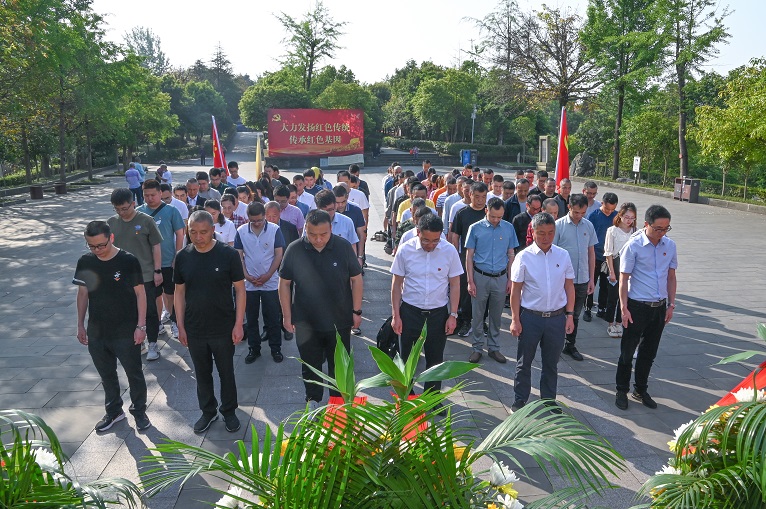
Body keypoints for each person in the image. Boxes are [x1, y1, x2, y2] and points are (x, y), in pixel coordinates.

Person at [278, 210, 363, 408]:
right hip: (306, 322)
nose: (318, 239)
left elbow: (356, 279)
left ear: (331, 229)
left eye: (323, 234)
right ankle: (313, 402)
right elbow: (284, 283)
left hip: (339, 320)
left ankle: (338, 405)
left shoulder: (342, 246)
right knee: (310, 366)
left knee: (339, 367)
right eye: (312, 234)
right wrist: (286, 315)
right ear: (305, 229)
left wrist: (356, 311)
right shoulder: (295, 249)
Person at [74, 221, 150, 432]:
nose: (97, 250)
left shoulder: (128, 261)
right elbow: (82, 294)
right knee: (106, 375)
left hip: (126, 330)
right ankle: (114, 411)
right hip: (97, 331)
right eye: (92, 246)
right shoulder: (86, 261)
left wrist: (141, 326)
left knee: (134, 373)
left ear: (111, 238)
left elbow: (140, 293)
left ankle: (140, 411)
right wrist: (80, 324)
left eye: (101, 245)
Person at [174, 210, 246, 433]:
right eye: (193, 232)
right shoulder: (182, 257)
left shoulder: (228, 254)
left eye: (203, 232)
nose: (198, 237)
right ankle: (208, 411)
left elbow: (241, 291)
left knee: (226, 372)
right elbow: (178, 293)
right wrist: (180, 326)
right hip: (194, 327)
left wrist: (238, 323)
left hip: (223, 326)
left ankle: (229, 411)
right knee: (202, 373)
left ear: (213, 230)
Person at [391, 214, 462, 404]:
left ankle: (432, 398)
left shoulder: (449, 251)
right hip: (410, 312)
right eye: (426, 240)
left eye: (435, 240)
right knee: (407, 360)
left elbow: (455, 284)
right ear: (418, 232)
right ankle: (407, 397)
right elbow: (396, 284)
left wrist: (453, 314)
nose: (431, 245)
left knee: (435, 359)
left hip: (438, 314)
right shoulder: (405, 250)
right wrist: (395, 315)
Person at [509, 212, 575, 412]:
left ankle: (548, 402)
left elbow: (569, 286)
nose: (546, 238)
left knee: (551, 364)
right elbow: (516, 290)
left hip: (556, 318)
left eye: (550, 233)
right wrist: (514, 319)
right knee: (524, 362)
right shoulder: (523, 257)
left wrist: (570, 315)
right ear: (533, 232)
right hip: (530, 317)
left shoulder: (563, 255)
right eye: (541, 233)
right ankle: (520, 400)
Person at [615, 205, 677, 411]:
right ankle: (621, 390)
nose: (662, 233)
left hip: (659, 308)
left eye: (666, 228)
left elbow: (671, 277)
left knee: (648, 353)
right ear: (646, 224)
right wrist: (624, 308)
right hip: (636, 306)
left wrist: (671, 304)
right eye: (658, 228)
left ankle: (641, 389)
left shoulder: (670, 245)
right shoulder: (633, 246)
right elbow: (623, 279)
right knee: (627, 352)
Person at [107, 188, 163, 360]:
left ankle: (153, 343)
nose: (121, 212)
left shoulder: (146, 221)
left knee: (150, 311)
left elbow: (156, 246)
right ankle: (139, 343)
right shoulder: (111, 223)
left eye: (125, 208)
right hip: (121, 277)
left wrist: (157, 270)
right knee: (128, 312)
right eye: (117, 209)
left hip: (145, 274)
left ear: (133, 204)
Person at [465, 198, 518, 363]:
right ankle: (477, 348)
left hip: (501, 278)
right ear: (486, 210)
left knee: (496, 315)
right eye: (493, 216)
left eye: (499, 217)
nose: (496, 220)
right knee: (478, 314)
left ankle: (494, 348)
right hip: (480, 276)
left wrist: (511, 279)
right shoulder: (475, 229)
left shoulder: (508, 228)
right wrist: (470, 281)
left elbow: (511, 255)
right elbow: (469, 256)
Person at [235, 202, 286, 365]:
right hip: (250, 283)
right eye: (253, 220)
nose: (257, 223)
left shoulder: (274, 230)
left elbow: (279, 254)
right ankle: (254, 348)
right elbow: (238, 256)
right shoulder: (241, 231)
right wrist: (247, 276)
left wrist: (268, 275)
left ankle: (275, 348)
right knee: (251, 317)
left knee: (272, 317)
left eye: (259, 220)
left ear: (264, 216)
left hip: (270, 282)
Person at [137, 180, 185, 349]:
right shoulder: (139, 212)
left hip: (168, 261)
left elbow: (180, 233)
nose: (149, 198)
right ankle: (156, 323)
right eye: (146, 195)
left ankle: (174, 320)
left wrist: (177, 255)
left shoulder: (171, 211)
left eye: (153, 195)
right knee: (153, 295)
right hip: (148, 265)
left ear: (160, 193)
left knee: (170, 292)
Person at [553, 194, 597, 362]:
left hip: (582, 279)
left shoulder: (588, 226)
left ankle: (570, 345)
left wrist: (591, 279)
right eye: (576, 212)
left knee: (575, 314)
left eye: (583, 212)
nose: (579, 216)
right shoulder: (558, 226)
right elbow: (553, 254)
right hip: (563, 280)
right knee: (559, 313)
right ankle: (555, 343)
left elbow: (591, 253)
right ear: (569, 207)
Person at [451, 181, 489, 338]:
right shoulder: (462, 213)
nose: (480, 200)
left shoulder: (489, 213)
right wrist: (455, 256)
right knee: (466, 291)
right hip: (466, 257)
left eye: (484, 197)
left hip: (486, 259)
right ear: (470, 195)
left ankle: (482, 321)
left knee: (485, 291)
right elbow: (455, 236)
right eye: (477, 196)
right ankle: (466, 320)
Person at [604, 203, 638, 338]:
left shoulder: (635, 231)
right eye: (626, 217)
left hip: (630, 267)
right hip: (616, 265)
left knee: (625, 297)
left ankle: (619, 322)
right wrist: (611, 271)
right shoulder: (612, 230)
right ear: (620, 215)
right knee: (613, 297)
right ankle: (610, 324)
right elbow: (608, 253)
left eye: (632, 217)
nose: (629, 220)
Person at [585, 192, 619, 322]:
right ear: (602, 203)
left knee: (606, 285)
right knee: (591, 282)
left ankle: (602, 309)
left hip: (609, 257)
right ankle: (587, 308)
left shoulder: (617, 216)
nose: (610, 211)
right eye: (607, 208)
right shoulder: (593, 216)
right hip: (595, 254)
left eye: (612, 209)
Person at [312, 190, 360, 257]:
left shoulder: (347, 222)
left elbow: (352, 246)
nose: (328, 214)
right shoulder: (310, 223)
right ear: (318, 208)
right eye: (324, 211)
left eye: (330, 210)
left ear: (335, 205)